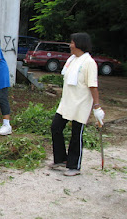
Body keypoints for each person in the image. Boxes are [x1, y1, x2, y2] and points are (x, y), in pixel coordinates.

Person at [50, 32, 105, 176]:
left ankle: (74, 166)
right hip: (67, 102)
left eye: (72, 42)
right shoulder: (72, 59)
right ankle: (61, 159)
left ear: (80, 44)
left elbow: (93, 86)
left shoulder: (89, 62)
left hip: (80, 104)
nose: (70, 45)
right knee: (55, 127)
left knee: (76, 134)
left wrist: (97, 106)